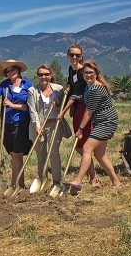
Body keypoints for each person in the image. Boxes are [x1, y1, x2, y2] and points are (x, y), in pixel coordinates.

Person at [65, 60, 121, 190]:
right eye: (86, 73)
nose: (88, 75)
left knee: (86, 148)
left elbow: (88, 112)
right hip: (103, 122)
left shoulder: (96, 89)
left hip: (106, 122)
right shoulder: (88, 86)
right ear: (83, 74)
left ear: (96, 73)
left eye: (91, 72)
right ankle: (117, 182)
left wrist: (80, 129)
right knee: (99, 155)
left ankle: (78, 181)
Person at [57, 44, 99, 186]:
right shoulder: (71, 69)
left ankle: (93, 176)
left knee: (82, 144)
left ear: (81, 56)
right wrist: (68, 84)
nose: (74, 57)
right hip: (77, 110)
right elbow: (72, 83)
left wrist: (62, 112)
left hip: (84, 108)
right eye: (72, 55)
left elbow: (75, 96)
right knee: (80, 144)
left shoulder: (83, 72)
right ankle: (92, 173)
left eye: (77, 55)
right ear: (68, 55)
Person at [0, 59, 33, 188]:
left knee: (17, 154)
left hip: (21, 123)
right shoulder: (5, 85)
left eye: (12, 70)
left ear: (18, 70)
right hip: (7, 123)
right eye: (7, 71)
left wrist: (12, 105)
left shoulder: (27, 85)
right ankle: (20, 184)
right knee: (13, 153)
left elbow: (30, 106)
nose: (10, 73)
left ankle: (14, 184)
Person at [27, 65, 72, 186]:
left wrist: (58, 104)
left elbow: (64, 106)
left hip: (54, 124)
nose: (43, 77)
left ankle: (57, 181)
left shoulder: (58, 89)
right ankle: (43, 179)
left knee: (54, 152)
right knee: (41, 155)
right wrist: (37, 126)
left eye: (46, 74)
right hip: (38, 126)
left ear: (51, 75)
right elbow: (32, 110)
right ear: (38, 76)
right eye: (41, 75)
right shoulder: (32, 91)